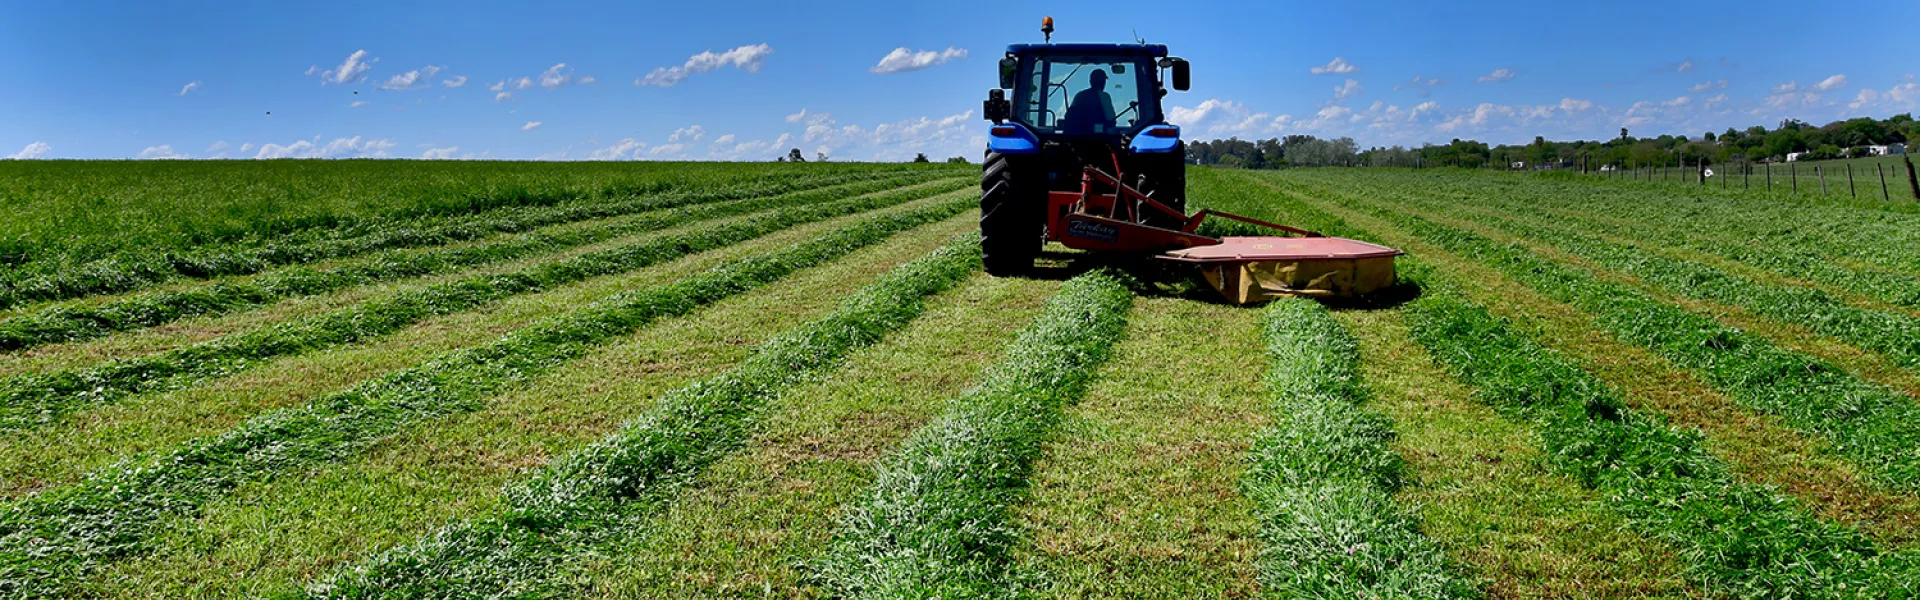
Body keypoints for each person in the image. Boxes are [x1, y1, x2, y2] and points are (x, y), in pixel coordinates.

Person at [1061, 68, 1116, 134]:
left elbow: (1070, 116)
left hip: (1075, 138)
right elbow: (1111, 118)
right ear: (1103, 82)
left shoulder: (1079, 95)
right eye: (1103, 80)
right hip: (1099, 139)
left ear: (1090, 81)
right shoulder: (1104, 96)